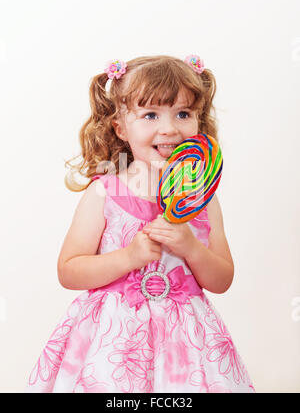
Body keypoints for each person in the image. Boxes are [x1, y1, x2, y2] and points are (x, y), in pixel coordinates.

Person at [26, 55, 255, 393]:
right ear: (120, 127)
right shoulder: (105, 193)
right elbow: (69, 270)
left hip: (186, 348)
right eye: (150, 115)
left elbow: (221, 280)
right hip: (113, 345)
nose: (170, 128)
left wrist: (190, 247)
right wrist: (129, 257)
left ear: (198, 121)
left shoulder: (203, 200)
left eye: (183, 114)